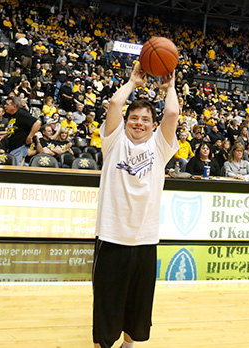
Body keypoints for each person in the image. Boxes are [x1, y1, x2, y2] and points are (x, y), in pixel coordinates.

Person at [92, 62, 178, 348]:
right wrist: (132, 81)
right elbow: (116, 102)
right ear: (126, 122)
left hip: (145, 239)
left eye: (145, 119)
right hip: (112, 236)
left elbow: (173, 113)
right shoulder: (113, 141)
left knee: (138, 305)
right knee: (106, 305)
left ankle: (128, 346)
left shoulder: (159, 146)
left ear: (153, 126)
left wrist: (171, 87)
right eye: (134, 118)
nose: (139, 123)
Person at [0, 96, 41, 166]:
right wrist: (5, 136)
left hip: (19, 147)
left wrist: (30, 136)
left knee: (14, 170)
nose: (5, 106)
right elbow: (16, 130)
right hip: (13, 147)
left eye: (7, 104)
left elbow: (37, 123)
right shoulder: (12, 116)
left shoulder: (21, 113)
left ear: (14, 106)